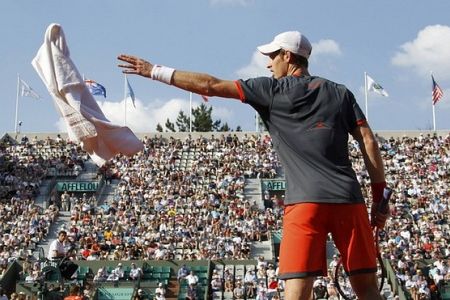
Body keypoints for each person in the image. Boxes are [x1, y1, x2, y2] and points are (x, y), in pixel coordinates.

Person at [118, 30, 389, 300]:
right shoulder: (340, 93)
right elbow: (368, 140)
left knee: (296, 293)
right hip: (349, 201)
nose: (269, 63)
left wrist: (155, 71)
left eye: (272, 56)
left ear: (288, 56)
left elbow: (210, 85)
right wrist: (380, 197)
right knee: (367, 290)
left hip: (305, 204)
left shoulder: (270, 90)